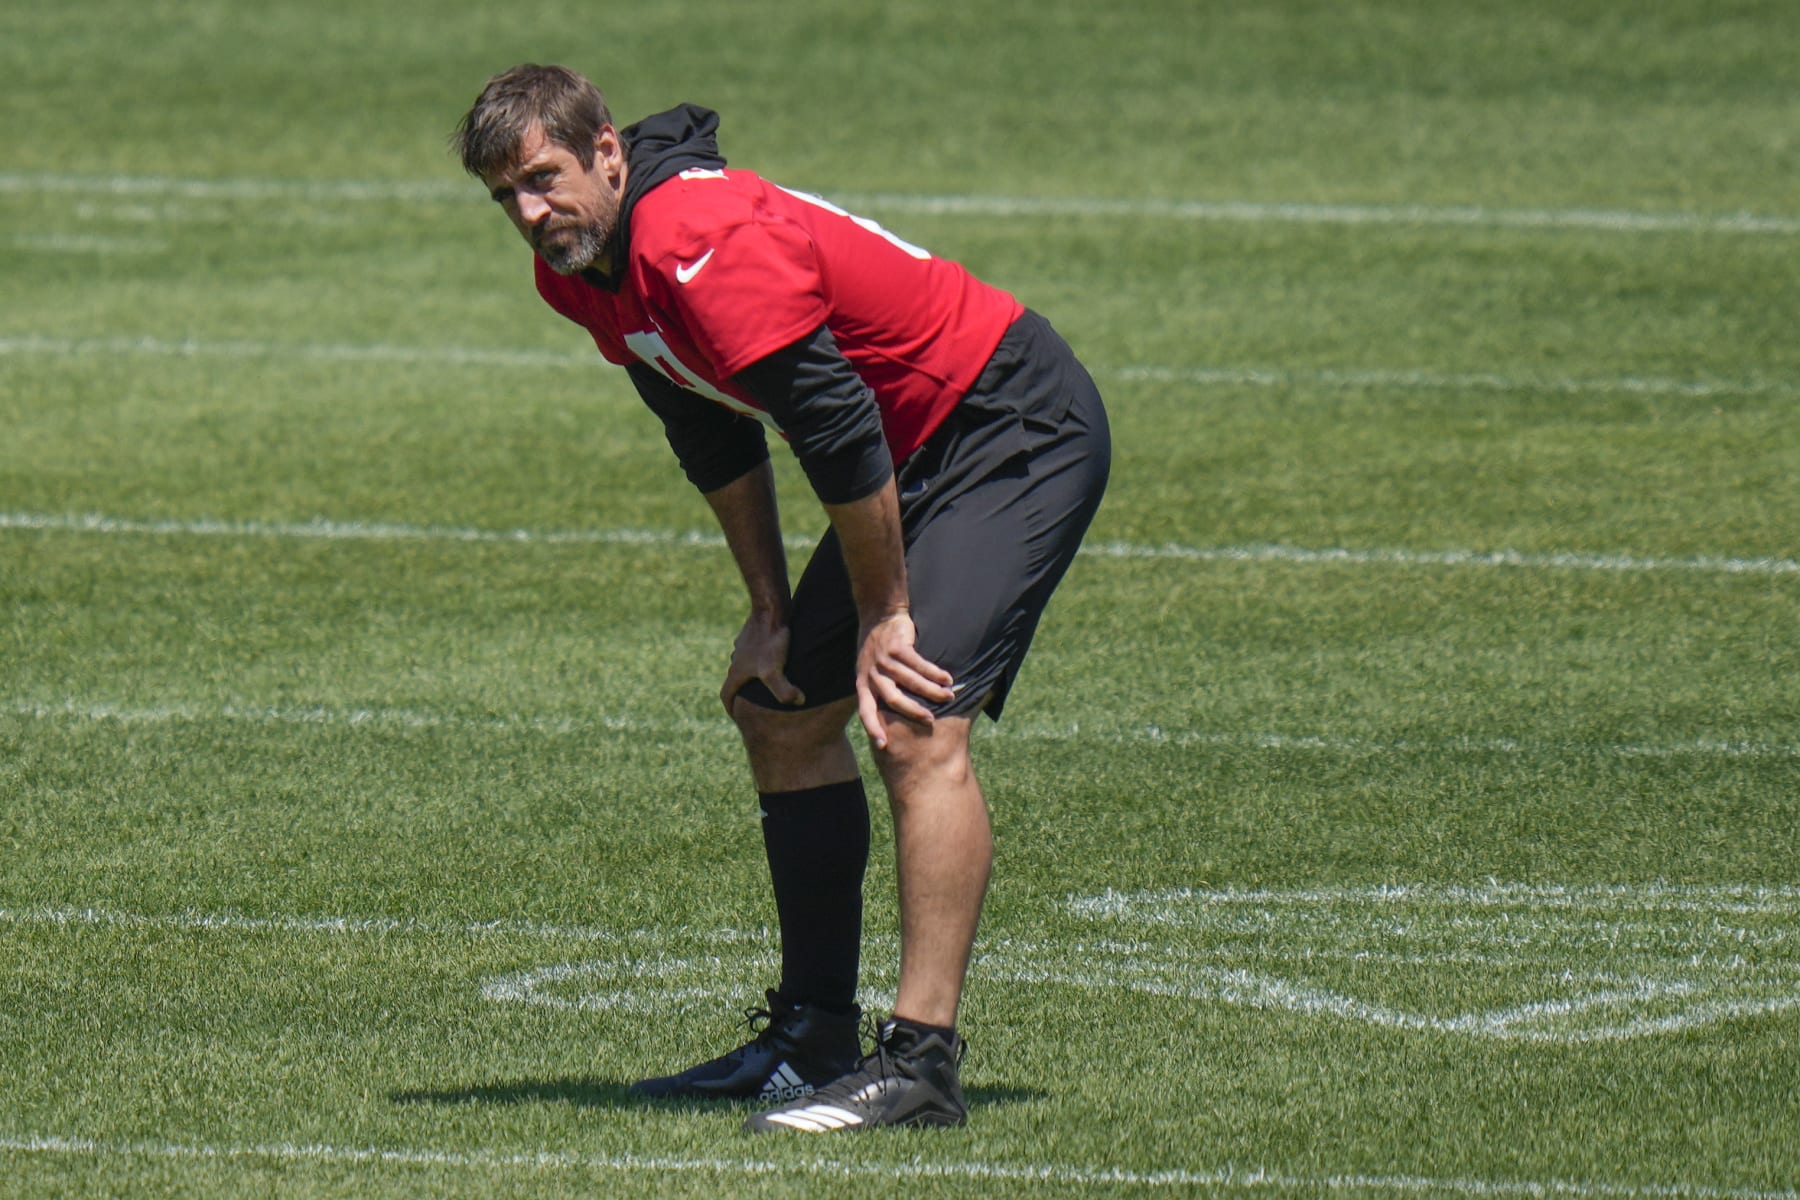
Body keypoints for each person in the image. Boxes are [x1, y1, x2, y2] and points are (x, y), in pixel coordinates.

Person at [454, 64, 1109, 1133]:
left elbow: (838, 426)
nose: (530, 213)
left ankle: (922, 1064)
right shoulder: (580, 270)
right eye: (506, 197)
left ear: (607, 151)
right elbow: (708, 427)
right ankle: (809, 1038)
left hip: (1006, 425)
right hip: (908, 454)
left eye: (544, 178)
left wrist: (886, 611)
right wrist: (768, 607)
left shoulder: (691, 236)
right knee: (779, 708)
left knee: (910, 715)